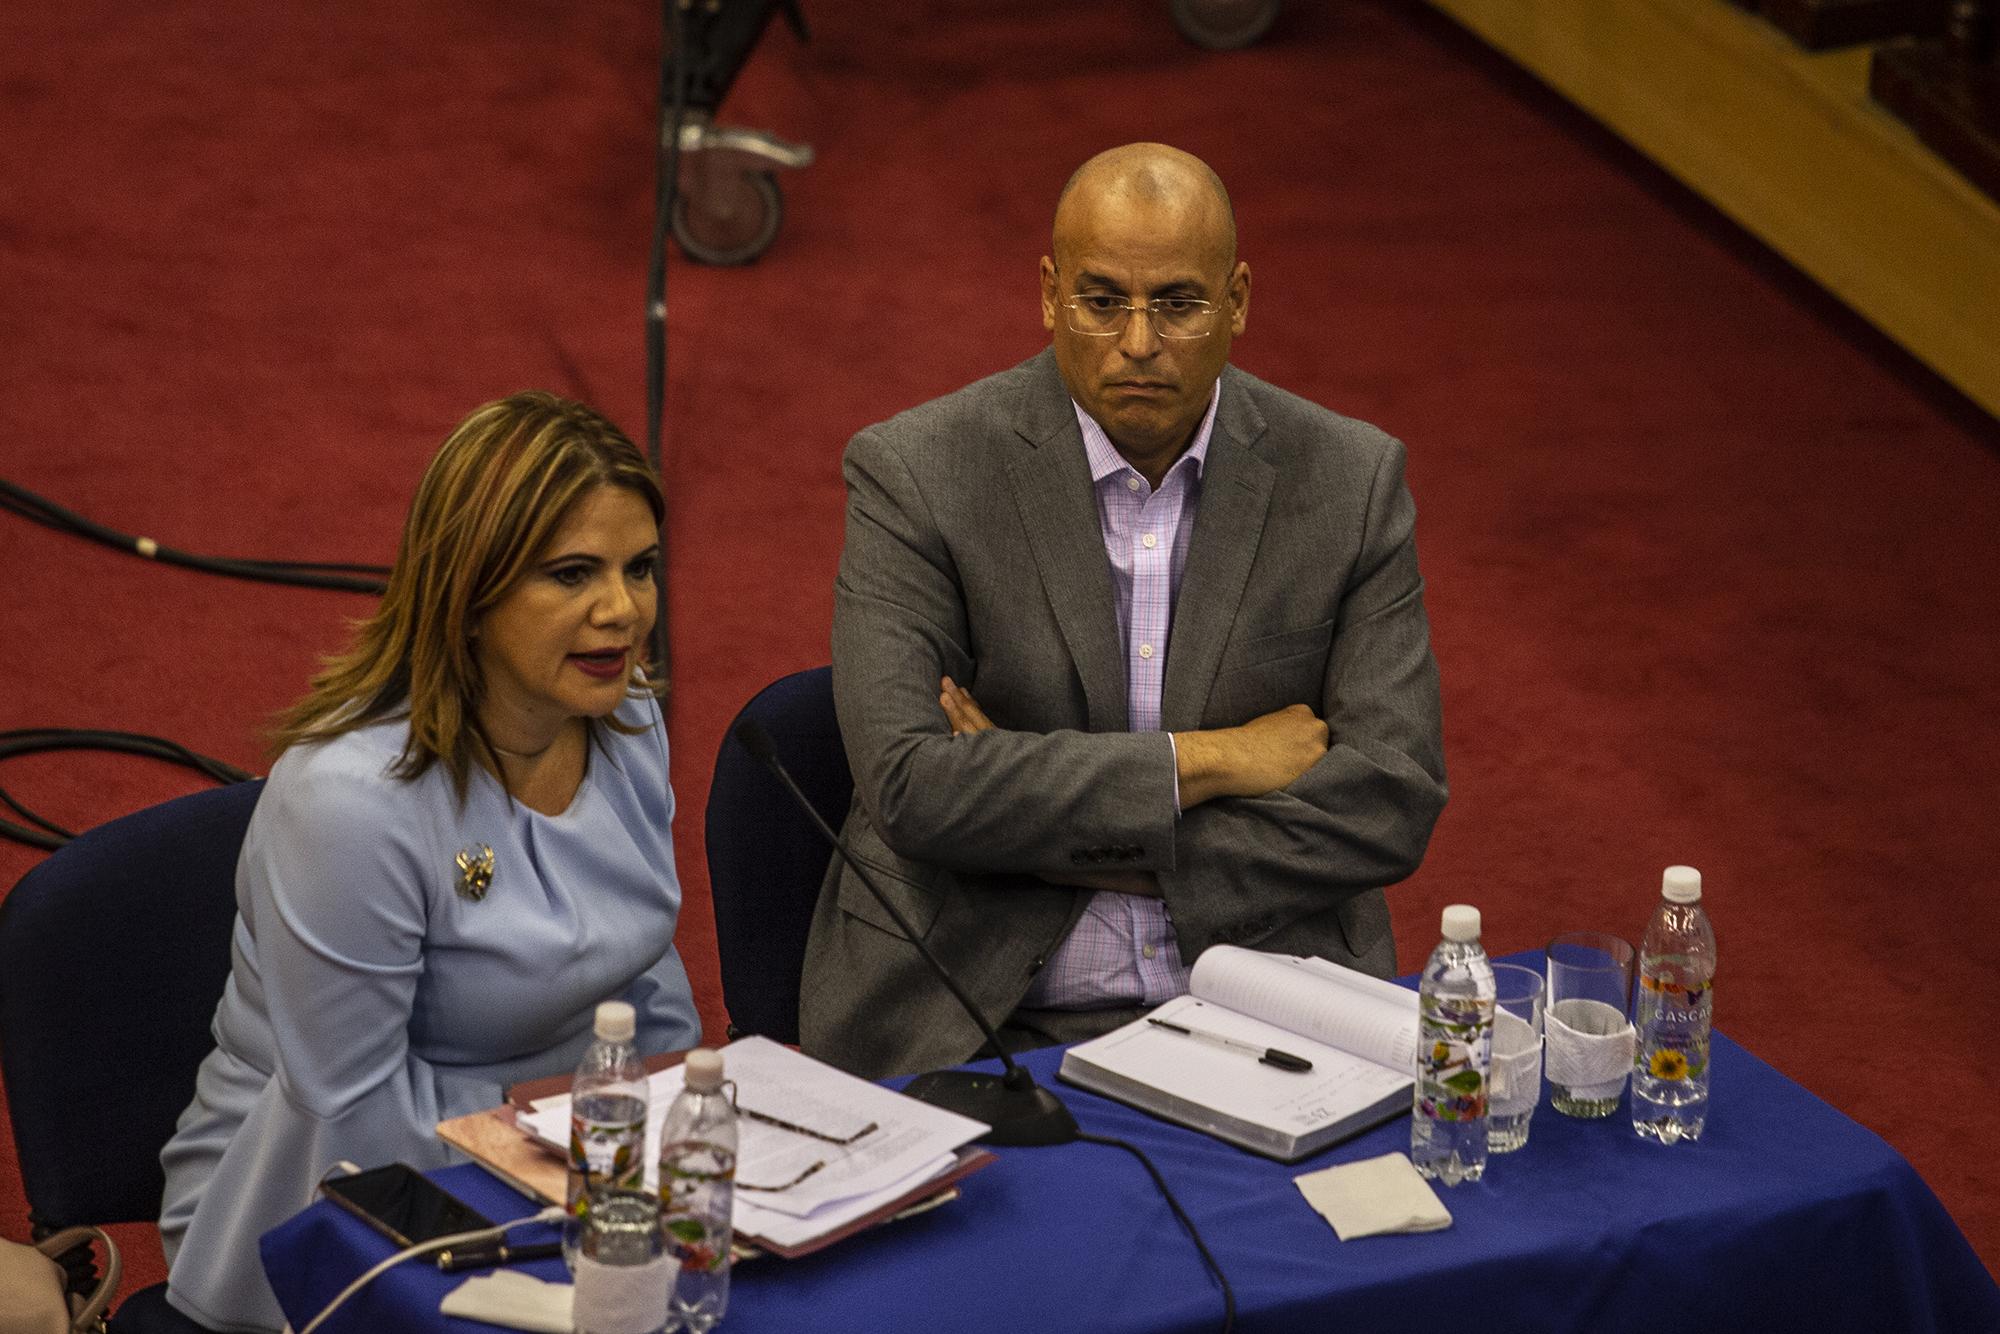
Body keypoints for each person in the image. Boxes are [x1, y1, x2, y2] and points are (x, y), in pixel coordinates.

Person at [801, 144, 1447, 1080]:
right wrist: (1213, 761)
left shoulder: (1350, 483)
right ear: (1049, 293)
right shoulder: (916, 474)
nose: (1138, 343)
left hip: (1265, 1007)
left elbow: (1391, 800)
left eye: (1177, 304)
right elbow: (912, 786)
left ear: (1238, 301)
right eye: (1102, 301)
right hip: (978, 1015)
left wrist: (1062, 843)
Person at [158, 392, 700, 1332]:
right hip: (342, 1208)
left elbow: (645, 971)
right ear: (472, 590)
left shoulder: (627, 722)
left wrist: (666, 1145)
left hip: (571, 1168)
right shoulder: (350, 804)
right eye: (573, 573)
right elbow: (351, 1113)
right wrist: (577, 1155)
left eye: (640, 567)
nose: (623, 610)